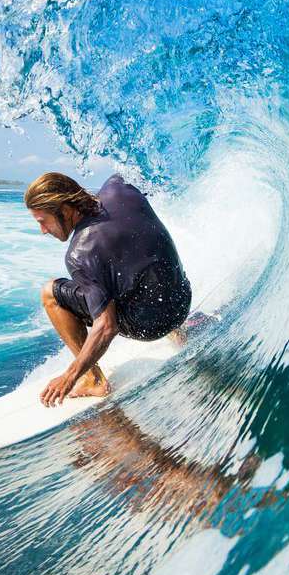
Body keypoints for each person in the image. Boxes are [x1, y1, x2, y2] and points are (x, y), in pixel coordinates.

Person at [26, 172, 191, 407]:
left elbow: (106, 326)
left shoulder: (79, 253)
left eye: (42, 220)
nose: (42, 230)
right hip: (182, 301)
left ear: (64, 210)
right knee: (133, 256)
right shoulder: (119, 187)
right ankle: (179, 332)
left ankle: (93, 380)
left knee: (50, 292)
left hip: (150, 326)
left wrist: (69, 376)